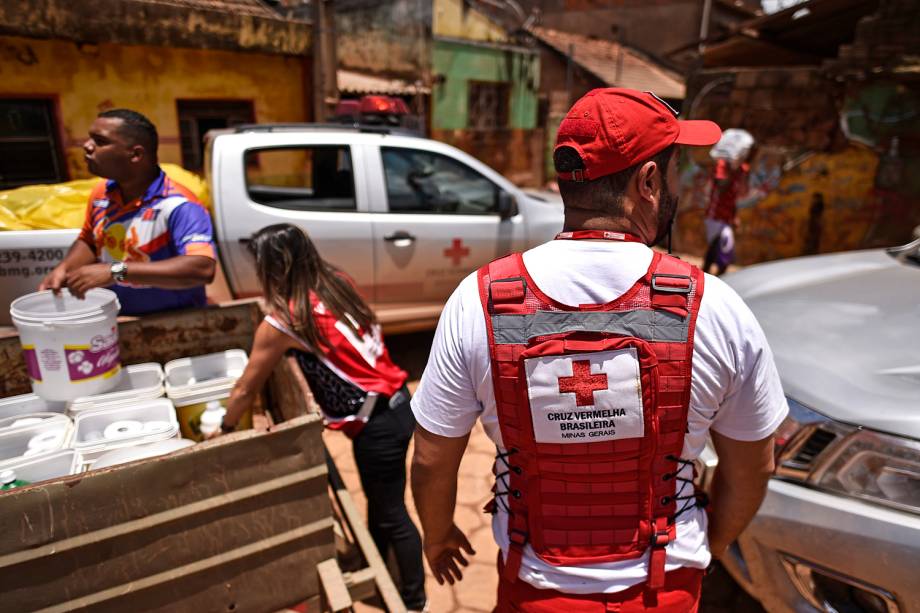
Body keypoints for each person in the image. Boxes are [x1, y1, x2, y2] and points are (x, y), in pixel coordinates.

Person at [410, 89, 788, 612]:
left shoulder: (478, 302)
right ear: (649, 181)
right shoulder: (716, 307)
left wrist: (435, 534)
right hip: (665, 591)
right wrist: (710, 544)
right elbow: (753, 467)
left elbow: (432, 459)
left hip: (533, 589)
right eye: (676, 170)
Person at [214, 224, 427, 612]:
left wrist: (224, 429)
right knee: (380, 503)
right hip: (397, 404)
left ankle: (414, 602)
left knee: (394, 513)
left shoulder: (284, 319)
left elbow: (246, 388)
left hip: (377, 425)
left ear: (274, 268)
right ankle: (375, 565)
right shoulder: (334, 282)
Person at [39, 109, 216, 314]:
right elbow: (89, 240)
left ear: (136, 154)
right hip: (117, 321)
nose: (87, 146)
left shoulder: (179, 205)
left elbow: (202, 268)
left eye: (100, 141)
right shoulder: (101, 194)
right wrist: (66, 268)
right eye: (90, 138)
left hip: (176, 326)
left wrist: (116, 272)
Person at [702, 129, 754, 276]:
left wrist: (735, 216)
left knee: (722, 251)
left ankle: (713, 275)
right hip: (715, 214)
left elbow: (736, 195)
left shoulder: (743, 169)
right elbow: (720, 186)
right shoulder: (723, 165)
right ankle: (707, 273)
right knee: (719, 248)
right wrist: (733, 170)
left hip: (727, 217)